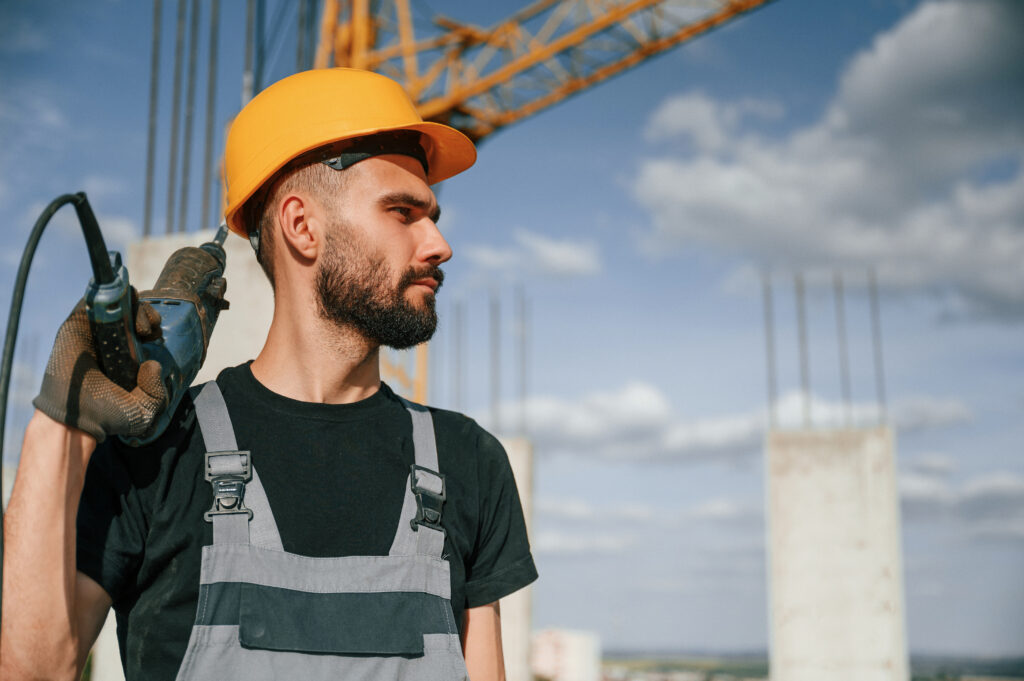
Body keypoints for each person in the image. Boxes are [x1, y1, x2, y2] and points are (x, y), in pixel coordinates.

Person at [0, 68, 537, 681]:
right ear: (301, 226)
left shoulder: (468, 461)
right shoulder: (156, 455)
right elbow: (31, 670)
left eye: (431, 216)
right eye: (403, 211)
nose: (439, 243)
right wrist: (62, 422)